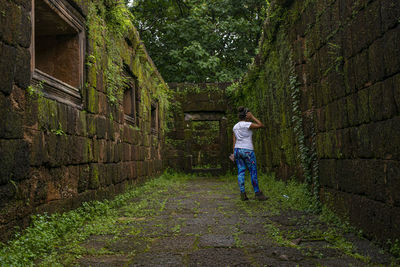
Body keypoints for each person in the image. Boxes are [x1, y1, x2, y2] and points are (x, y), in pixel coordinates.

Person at [232, 106, 268, 201]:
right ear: (246, 116)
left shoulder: (235, 127)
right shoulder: (247, 124)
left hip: (237, 150)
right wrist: (253, 117)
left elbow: (234, 141)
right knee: (253, 171)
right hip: (247, 150)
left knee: (241, 171)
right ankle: (257, 193)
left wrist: (234, 154)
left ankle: (243, 193)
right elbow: (261, 125)